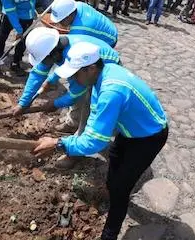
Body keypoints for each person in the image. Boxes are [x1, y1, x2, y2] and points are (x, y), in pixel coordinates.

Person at [33, 42, 168, 240]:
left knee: (121, 187)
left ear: (91, 68)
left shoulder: (111, 91)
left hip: (148, 137)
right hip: (131, 130)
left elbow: (94, 142)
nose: (72, 79)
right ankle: (111, 192)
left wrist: (58, 143)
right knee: (114, 158)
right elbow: (95, 129)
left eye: (76, 73)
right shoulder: (101, 75)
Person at [15, 29, 120, 167]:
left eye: (45, 60)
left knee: (89, 110)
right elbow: (37, 74)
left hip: (104, 67)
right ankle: (73, 122)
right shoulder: (53, 47)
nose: (44, 63)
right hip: (87, 66)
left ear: (53, 53)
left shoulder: (73, 55)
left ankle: (77, 151)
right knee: (81, 100)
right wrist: (23, 102)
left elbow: (76, 93)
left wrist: (55, 103)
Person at [47, 0, 118, 47]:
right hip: (110, 26)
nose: (59, 23)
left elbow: (71, 47)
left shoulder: (80, 29)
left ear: (68, 16)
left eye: (60, 20)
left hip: (110, 39)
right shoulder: (77, 4)